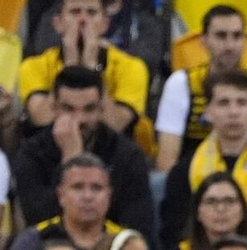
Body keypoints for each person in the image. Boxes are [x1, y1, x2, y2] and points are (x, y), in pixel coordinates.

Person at [159, 70, 247, 250]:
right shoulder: (184, 172)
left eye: (242, 103)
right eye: (223, 103)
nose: (233, 112)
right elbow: (175, 233)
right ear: (208, 112)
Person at [9, 69, 155, 241]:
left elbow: (137, 228)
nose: (80, 119)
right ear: (54, 108)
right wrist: (70, 161)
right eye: (68, 109)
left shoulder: (127, 154)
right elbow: (39, 219)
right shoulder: (32, 152)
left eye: (89, 109)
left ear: (101, 109)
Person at [154, 4, 247, 173]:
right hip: (194, 181)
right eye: (221, 36)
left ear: (244, 41)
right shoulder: (181, 84)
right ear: (203, 41)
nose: (229, 45)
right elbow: (167, 163)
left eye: (237, 36)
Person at [17, 0, 149, 133]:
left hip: (107, 150)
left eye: (91, 12)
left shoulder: (132, 67)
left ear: (105, 24)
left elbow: (115, 126)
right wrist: (69, 67)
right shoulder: (33, 66)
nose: (83, 20)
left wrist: (92, 67)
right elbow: (42, 120)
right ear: (58, 24)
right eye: (75, 12)